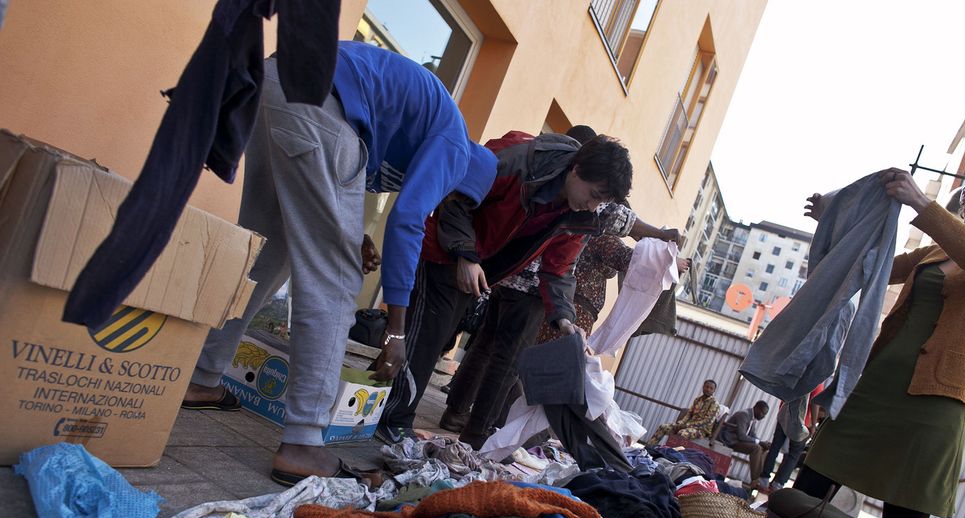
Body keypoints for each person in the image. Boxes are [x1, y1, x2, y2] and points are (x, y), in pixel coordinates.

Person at [179, 41, 497, 484]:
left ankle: (202, 376)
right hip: (319, 99)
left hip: (273, 82)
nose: (445, 202)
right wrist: (397, 328)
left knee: (267, 254)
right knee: (337, 279)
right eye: (455, 197)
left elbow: (326, 184)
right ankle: (304, 442)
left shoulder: (416, 124)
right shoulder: (457, 148)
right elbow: (406, 218)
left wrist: (354, 236)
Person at [795, 157, 965, 518]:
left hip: (935, 404)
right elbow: (874, 265)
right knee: (805, 492)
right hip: (874, 385)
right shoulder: (937, 251)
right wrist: (835, 220)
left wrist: (921, 201)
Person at [375, 131, 635, 445]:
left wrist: (564, 319)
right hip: (444, 251)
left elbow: (559, 268)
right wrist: (464, 255)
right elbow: (456, 199)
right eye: (593, 195)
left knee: (438, 339)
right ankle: (392, 421)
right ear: (577, 170)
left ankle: (378, 407)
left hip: (479, 266)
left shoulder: (577, 215)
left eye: (601, 202)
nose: (592, 206)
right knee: (426, 339)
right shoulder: (517, 161)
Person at [756, 383, 825, 493]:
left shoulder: (798, 370)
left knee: (775, 448)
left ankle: (763, 480)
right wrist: (813, 424)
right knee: (794, 455)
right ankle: (777, 485)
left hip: (784, 415)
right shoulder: (818, 380)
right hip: (803, 423)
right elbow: (815, 402)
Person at [648, 379, 720, 443]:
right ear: (703, 387)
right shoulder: (697, 400)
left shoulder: (714, 403)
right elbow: (689, 414)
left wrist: (686, 425)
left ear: (714, 390)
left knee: (682, 433)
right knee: (663, 427)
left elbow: (707, 421)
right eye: (707, 387)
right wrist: (680, 423)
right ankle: (648, 449)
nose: (708, 389)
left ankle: (670, 455)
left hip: (701, 431)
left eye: (711, 388)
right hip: (687, 426)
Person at [718, 400, 771, 484]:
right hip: (729, 441)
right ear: (756, 408)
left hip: (736, 441)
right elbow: (742, 436)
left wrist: (761, 442)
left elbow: (752, 434)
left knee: (762, 448)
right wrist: (758, 442)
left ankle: (760, 477)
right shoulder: (744, 415)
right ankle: (755, 479)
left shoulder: (752, 418)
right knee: (756, 448)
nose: (763, 416)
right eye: (763, 413)